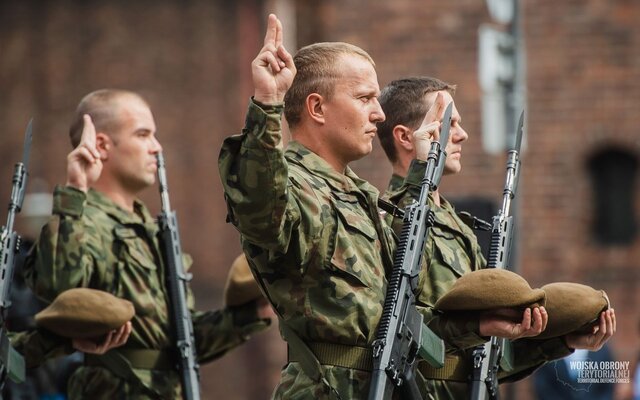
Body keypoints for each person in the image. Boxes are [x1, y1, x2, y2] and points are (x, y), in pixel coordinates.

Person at [23, 88, 272, 399]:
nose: (157, 147)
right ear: (102, 145)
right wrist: (75, 190)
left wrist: (247, 317)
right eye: (143, 135)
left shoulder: (150, 229)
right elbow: (57, 286)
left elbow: (174, 340)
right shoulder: (82, 222)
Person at [377, 76, 616, 398]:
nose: (462, 134)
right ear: (407, 137)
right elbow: (394, 330)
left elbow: (484, 359)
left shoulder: (459, 229)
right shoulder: (388, 218)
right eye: (449, 124)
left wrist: (562, 341)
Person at [218, 14, 402, 399]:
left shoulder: (361, 195)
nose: (379, 113)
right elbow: (260, 205)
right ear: (317, 108)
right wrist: (267, 102)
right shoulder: (294, 186)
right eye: (365, 98)